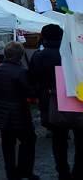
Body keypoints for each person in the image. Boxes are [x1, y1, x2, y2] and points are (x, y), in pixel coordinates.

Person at [30, 23, 82, 180]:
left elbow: (32, 79)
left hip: (52, 102)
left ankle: (63, 172)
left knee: (59, 141)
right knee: (80, 140)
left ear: (44, 37)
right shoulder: (75, 53)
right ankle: (77, 172)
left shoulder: (39, 56)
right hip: (78, 100)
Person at [0, 41, 39, 180]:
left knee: (7, 144)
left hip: (1, 112)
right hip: (19, 112)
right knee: (28, 140)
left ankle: (11, 174)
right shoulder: (22, 72)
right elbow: (30, 92)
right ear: (20, 56)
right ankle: (25, 170)